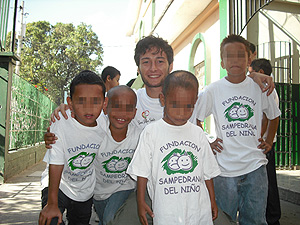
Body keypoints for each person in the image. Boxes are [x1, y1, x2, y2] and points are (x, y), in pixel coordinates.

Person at [44, 36, 276, 224]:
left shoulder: (184, 94)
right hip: (136, 187)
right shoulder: (126, 102)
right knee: (116, 220)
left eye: (160, 61)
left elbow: (228, 89)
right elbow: (93, 117)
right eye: (146, 61)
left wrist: (252, 75)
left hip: (185, 186)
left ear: (170, 65)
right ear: (138, 67)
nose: (153, 68)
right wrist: (66, 112)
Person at [193, 34, 281, 224]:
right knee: (224, 219)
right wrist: (207, 143)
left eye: (241, 55)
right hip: (224, 169)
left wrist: (268, 140)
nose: (235, 60)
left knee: (256, 219)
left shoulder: (260, 87)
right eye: (229, 56)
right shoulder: (212, 90)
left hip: (255, 167)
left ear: (249, 59)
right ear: (222, 62)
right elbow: (195, 120)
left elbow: (274, 116)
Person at [127, 70, 221, 225]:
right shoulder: (151, 132)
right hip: (166, 212)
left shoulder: (198, 133)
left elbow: (207, 173)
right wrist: (141, 201)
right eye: (175, 105)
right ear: (163, 99)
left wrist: (212, 200)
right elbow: (141, 171)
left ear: (195, 101)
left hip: (198, 210)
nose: (181, 113)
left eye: (188, 106)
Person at [39, 70, 106, 225]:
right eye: (81, 101)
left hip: (84, 190)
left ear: (104, 102)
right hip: (58, 185)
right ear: (70, 102)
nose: (89, 108)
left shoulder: (104, 122)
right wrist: (52, 204)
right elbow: (56, 162)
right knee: (51, 220)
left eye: (95, 101)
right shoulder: (61, 120)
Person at [93, 85, 142, 225]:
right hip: (98, 193)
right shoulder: (95, 129)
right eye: (117, 106)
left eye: (129, 108)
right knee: (105, 220)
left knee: (111, 219)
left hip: (124, 188)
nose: (122, 113)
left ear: (135, 112)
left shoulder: (139, 135)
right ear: (105, 106)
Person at [249, 58, 281, 225]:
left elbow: (267, 118)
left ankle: (272, 219)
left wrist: (259, 138)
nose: (249, 75)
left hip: (263, 145)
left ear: (259, 73)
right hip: (267, 143)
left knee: (266, 185)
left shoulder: (265, 89)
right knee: (268, 183)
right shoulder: (269, 88)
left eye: (251, 71)